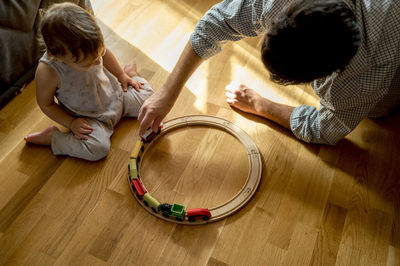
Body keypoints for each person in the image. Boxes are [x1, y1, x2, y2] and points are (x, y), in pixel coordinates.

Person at [138, 0, 400, 145]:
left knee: (378, 113)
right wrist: (167, 92)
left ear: (331, 73)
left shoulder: (365, 73)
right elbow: (217, 22)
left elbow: (326, 128)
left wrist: (263, 106)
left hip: (389, 34)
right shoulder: (278, 4)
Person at [24, 3, 154, 161]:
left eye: (97, 56)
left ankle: (130, 74)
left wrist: (121, 76)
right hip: (90, 119)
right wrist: (71, 123)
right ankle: (54, 138)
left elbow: (105, 54)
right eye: (88, 63)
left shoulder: (91, 44)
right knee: (98, 149)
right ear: (58, 56)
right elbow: (46, 104)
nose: (97, 63)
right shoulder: (48, 71)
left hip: (117, 96)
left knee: (150, 98)